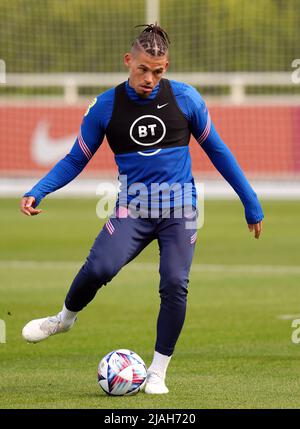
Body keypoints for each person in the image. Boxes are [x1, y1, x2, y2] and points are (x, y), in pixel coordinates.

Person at [20, 24, 264, 394]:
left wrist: (251, 202)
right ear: (128, 61)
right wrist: (39, 191)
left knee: (174, 283)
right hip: (132, 209)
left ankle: (157, 373)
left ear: (166, 67)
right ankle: (64, 319)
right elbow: (75, 159)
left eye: (158, 71)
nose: (150, 78)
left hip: (180, 209)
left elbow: (219, 152)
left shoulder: (186, 100)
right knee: (99, 267)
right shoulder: (105, 107)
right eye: (142, 69)